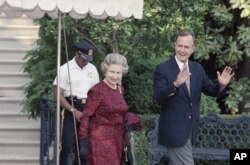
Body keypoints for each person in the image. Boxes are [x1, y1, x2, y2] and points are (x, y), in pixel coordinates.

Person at [152, 30, 234, 165]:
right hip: (174, 131)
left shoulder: (197, 68)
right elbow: (158, 96)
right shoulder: (163, 68)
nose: (182, 50)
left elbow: (210, 90)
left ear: (193, 49)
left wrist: (221, 85)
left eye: (186, 47)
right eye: (180, 46)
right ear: (175, 46)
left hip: (191, 130)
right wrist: (176, 84)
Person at [78, 53, 142, 165]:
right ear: (105, 70)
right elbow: (86, 116)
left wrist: (132, 119)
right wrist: (83, 141)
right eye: (112, 72)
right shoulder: (97, 91)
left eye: (118, 73)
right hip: (100, 142)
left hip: (118, 141)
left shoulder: (120, 89)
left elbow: (119, 111)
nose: (115, 76)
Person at [53, 41, 100, 165]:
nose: (87, 61)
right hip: (71, 107)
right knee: (67, 145)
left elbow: (97, 92)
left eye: (89, 58)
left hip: (88, 108)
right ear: (77, 53)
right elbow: (57, 95)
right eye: (85, 58)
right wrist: (73, 111)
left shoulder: (92, 69)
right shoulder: (65, 69)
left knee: (85, 147)